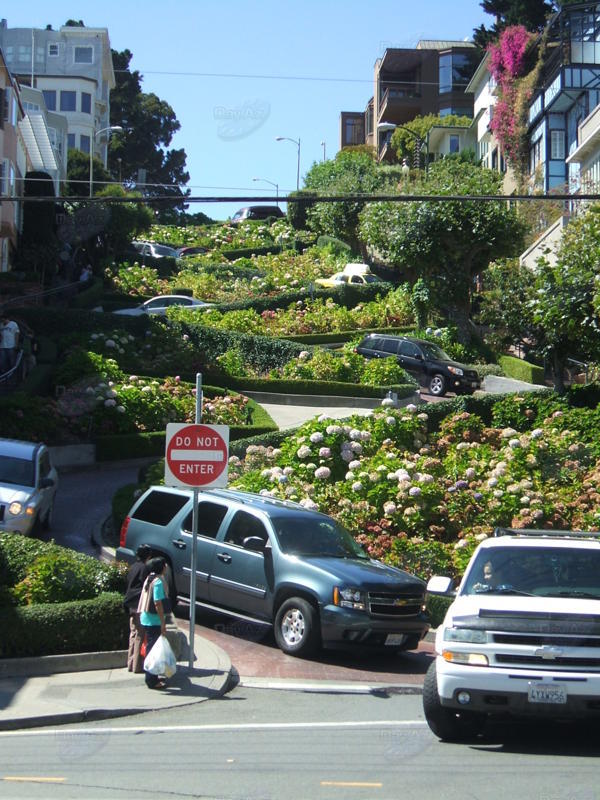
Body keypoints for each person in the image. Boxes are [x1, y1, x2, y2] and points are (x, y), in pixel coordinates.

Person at [138, 556, 170, 690]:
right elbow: (158, 603)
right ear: (161, 567)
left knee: (152, 648)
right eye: (165, 564)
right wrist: (163, 623)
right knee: (153, 650)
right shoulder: (157, 582)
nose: (167, 566)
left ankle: (154, 676)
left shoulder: (149, 578)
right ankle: (151, 680)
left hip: (146, 618)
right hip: (154, 621)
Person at [123, 544, 152, 673]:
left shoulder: (133, 566)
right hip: (139, 604)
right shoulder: (144, 568)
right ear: (148, 556)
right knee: (140, 634)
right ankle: (137, 666)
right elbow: (145, 587)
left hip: (130, 604)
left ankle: (130, 663)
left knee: (133, 633)